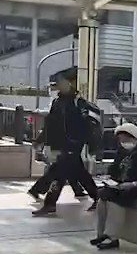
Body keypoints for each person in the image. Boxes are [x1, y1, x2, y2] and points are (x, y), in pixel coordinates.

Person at [31, 71, 100, 216]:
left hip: (73, 144)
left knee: (59, 173)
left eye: (61, 82)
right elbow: (50, 124)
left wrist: (89, 145)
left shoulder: (78, 103)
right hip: (60, 144)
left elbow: (88, 126)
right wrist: (40, 141)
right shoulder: (57, 102)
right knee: (79, 173)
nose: (58, 85)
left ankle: (50, 203)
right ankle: (98, 197)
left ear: (69, 83)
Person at [89, 123, 137, 250]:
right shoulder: (122, 151)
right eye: (121, 140)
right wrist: (110, 178)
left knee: (115, 199)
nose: (123, 142)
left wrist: (133, 184)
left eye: (126, 139)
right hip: (120, 185)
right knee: (102, 198)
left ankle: (112, 236)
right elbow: (115, 169)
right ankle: (101, 233)